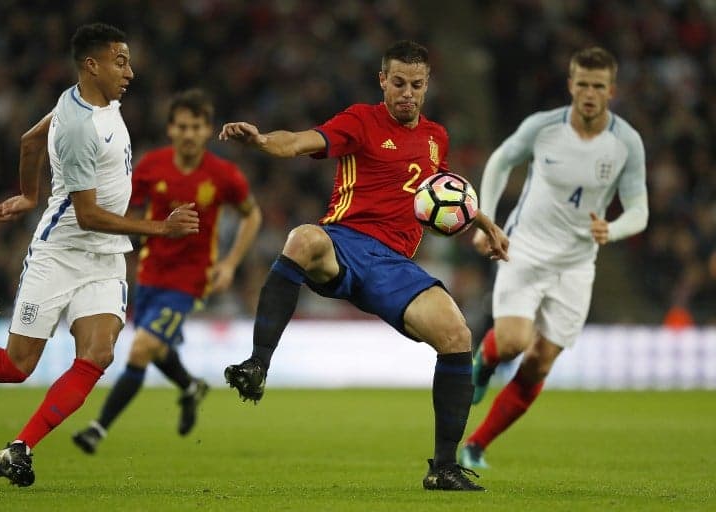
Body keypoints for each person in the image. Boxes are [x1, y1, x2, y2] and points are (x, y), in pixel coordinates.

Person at [218, 40, 509, 492]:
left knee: (457, 335)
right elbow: (297, 142)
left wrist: (485, 224)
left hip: (395, 266)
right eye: (399, 83)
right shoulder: (360, 120)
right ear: (383, 81)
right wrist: (261, 141)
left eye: (416, 85)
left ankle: (444, 468)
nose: (407, 93)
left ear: (427, 85)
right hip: (344, 244)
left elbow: (443, 195)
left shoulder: (437, 137)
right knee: (303, 238)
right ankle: (257, 364)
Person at [0, 23, 199, 487]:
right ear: (92, 65)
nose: (130, 72)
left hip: (103, 258)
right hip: (60, 255)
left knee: (98, 353)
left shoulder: (85, 103)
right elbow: (87, 216)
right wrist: (161, 228)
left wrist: (29, 195)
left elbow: (29, 141)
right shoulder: (80, 128)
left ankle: (19, 448)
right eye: (120, 62)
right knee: (15, 367)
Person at [460, 47, 648, 469]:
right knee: (513, 342)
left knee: (539, 362)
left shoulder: (626, 143)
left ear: (611, 91)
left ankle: (476, 445)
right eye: (582, 84)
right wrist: (486, 222)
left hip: (577, 265)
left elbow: (640, 210)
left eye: (598, 86)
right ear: (570, 85)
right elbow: (500, 161)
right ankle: (485, 360)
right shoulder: (543, 127)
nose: (589, 93)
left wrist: (613, 229)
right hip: (525, 249)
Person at [71, 89, 262, 453]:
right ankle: (191, 387)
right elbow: (125, 209)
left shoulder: (223, 175)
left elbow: (252, 214)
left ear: (207, 130)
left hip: (190, 279)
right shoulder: (151, 166)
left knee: (141, 348)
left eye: (196, 127)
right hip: (150, 274)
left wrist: (230, 263)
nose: (189, 134)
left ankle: (98, 428)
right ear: (171, 129)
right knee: (156, 348)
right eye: (182, 127)